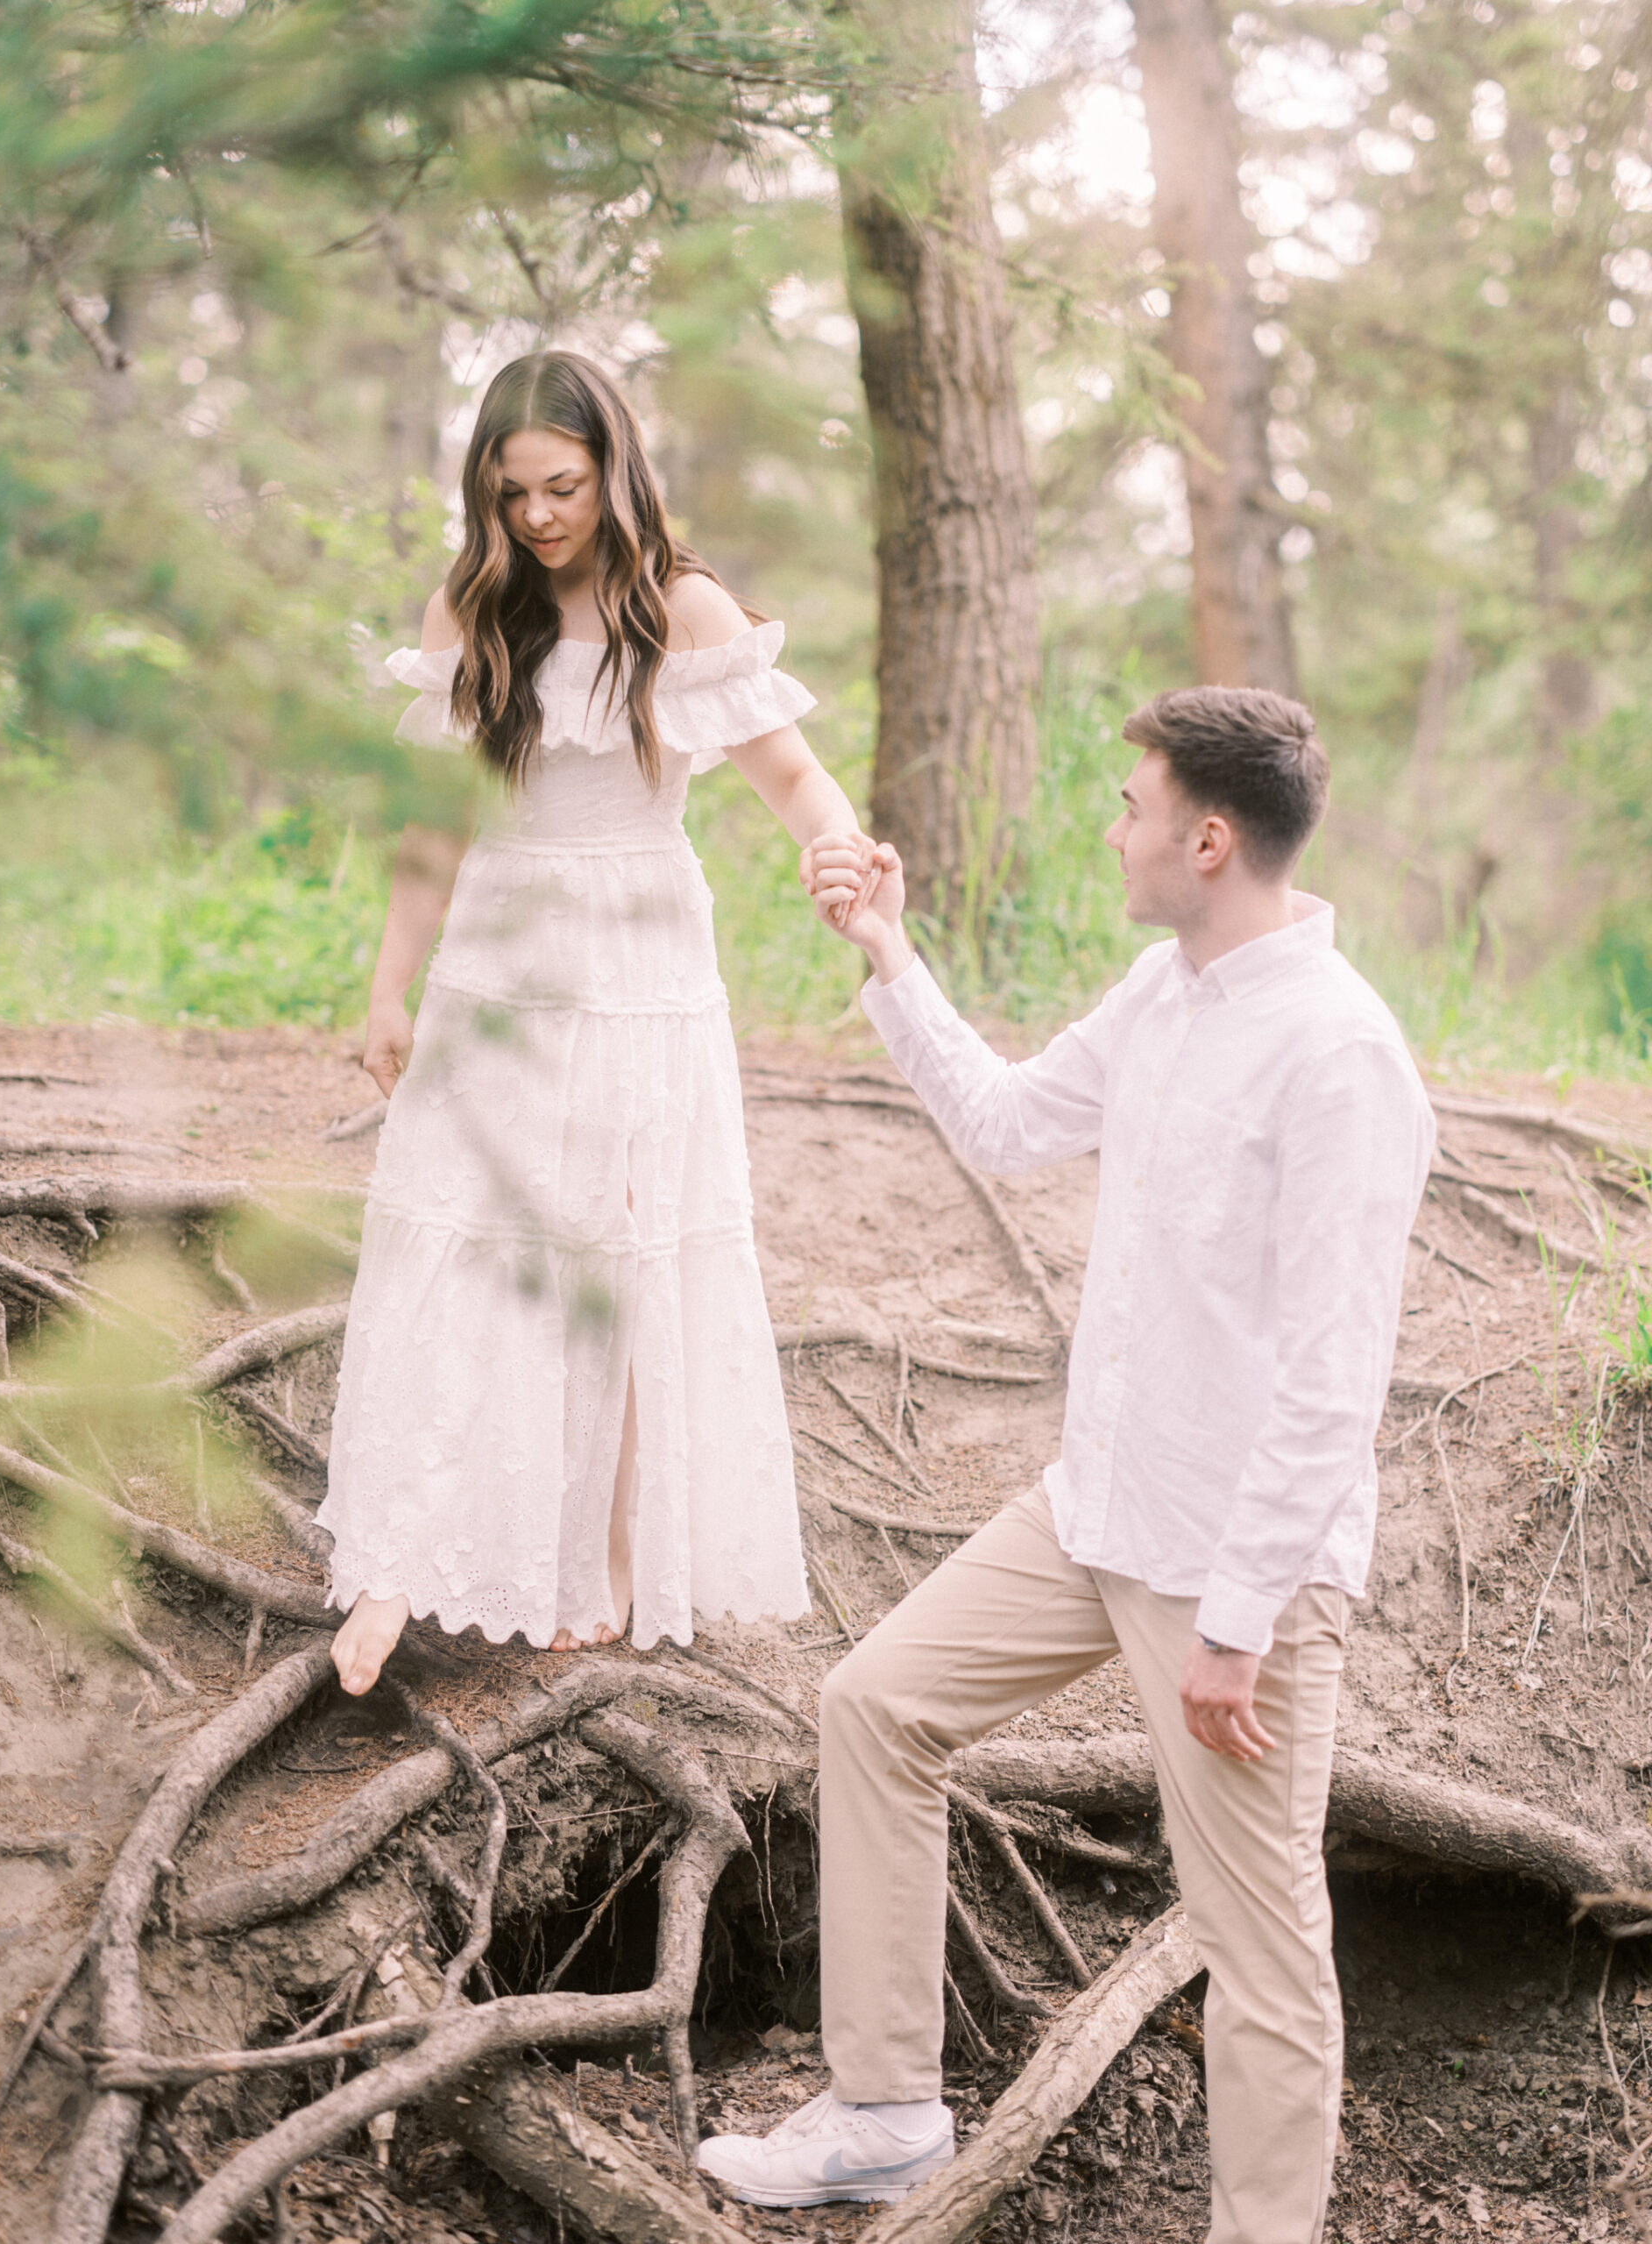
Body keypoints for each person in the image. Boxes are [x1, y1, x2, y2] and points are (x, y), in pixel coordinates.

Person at [696, 686, 1436, 2240]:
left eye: (1132, 807)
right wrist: (890, 954)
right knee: (876, 1707)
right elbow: (1011, 1123)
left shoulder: (1342, 1056)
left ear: (1210, 840)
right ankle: (888, 2110)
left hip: (1241, 1573)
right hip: (1096, 1511)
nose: (1115, 832)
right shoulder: (1163, 993)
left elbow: (1332, 1374)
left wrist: (1240, 1621)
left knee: (1259, 1939)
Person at [319, 349, 872, 1693]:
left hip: (639, 965)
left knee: (619, 1248)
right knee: (458, 1233)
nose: (539, 519)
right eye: (512, 497)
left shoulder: (680, 610)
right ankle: (397, 1556)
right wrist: (389, 986)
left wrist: (843, 855)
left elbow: (796, 781)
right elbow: (431, 827)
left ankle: (610, 1561)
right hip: (500, 960)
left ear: (612, 469)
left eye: (561, 488)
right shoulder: (475, 609)